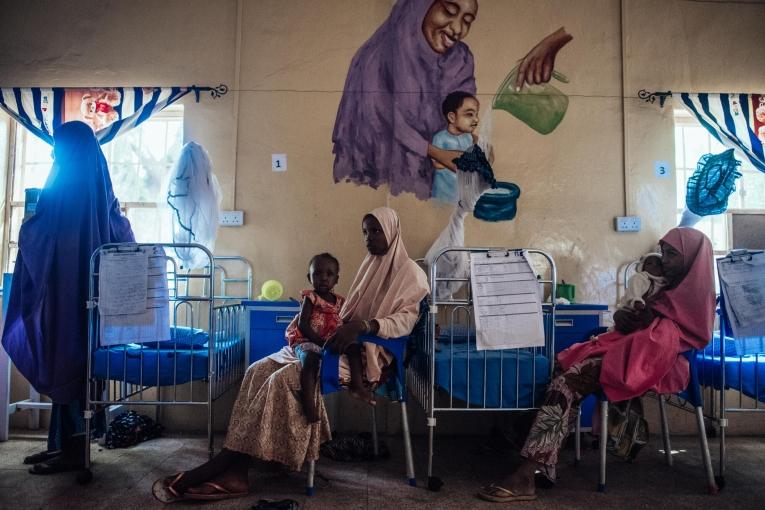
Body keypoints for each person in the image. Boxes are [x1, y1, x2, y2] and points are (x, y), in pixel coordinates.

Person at [151, 206, 429, 502]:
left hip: (371, 354)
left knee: (283, 381)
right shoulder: (371, 266)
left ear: (392, 231)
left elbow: (405, 322)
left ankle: (226, 468)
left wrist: (364, 326)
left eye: (375, 231)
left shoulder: (411, 274)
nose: (369, 238)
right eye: (365, 232)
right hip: (339, 344)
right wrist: (337, 329)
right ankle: (240, 466)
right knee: (257, 370)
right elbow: (344, 313)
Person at [477, 227, 714, 503]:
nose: (665, 260)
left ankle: (528, 473)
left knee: (568, 383)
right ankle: (543, 460)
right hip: (631, 350)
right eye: (663, 253)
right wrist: (626, 319)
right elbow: (640, 323)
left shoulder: (696, 295)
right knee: (559, 367)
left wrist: (645, 326)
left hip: (658, 361)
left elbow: (675, 339)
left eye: (672, 254)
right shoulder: (662, 288)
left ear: (693, 258)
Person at [332, 0, 572, 200]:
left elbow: (461, 108)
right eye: (448, 11)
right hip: (380, 171)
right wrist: (435, 152)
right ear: (421, 6)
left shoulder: (461, 59)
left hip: (433, 182)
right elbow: (384, 119)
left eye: (467, 21)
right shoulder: (379, 56)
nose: (458, 28)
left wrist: (474, 142)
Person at [1, 121, 134, 474]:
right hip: (94, 294)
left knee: (66, 363)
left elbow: (38, 231)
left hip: (64, 292)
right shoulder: (99, 178)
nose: (52, 153)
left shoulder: (61, 182)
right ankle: (62, 445)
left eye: (56, 147)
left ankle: (73, 452)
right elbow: (120, 230)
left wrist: (27, 227)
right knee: (83, 367)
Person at [285, 253, 374, 424]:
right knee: (310, 360)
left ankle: (357, 385)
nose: (323, 278)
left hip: (331, 340)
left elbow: (346, 321)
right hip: (309, 340)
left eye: (329, 274)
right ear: (309, 277)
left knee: (354, 347)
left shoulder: (341, 301)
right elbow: (303, 325)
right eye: (317, 274)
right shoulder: (310, 298)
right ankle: (308, 403)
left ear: (336, 279)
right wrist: (320, 343)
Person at [431, 91, 480, 203]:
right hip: (445, 193)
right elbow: (436, 163)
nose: (476, 119)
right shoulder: (440, 138)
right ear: (452, 117)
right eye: (469, 114)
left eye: (476, 114)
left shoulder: (469, 137)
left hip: (464, 193)